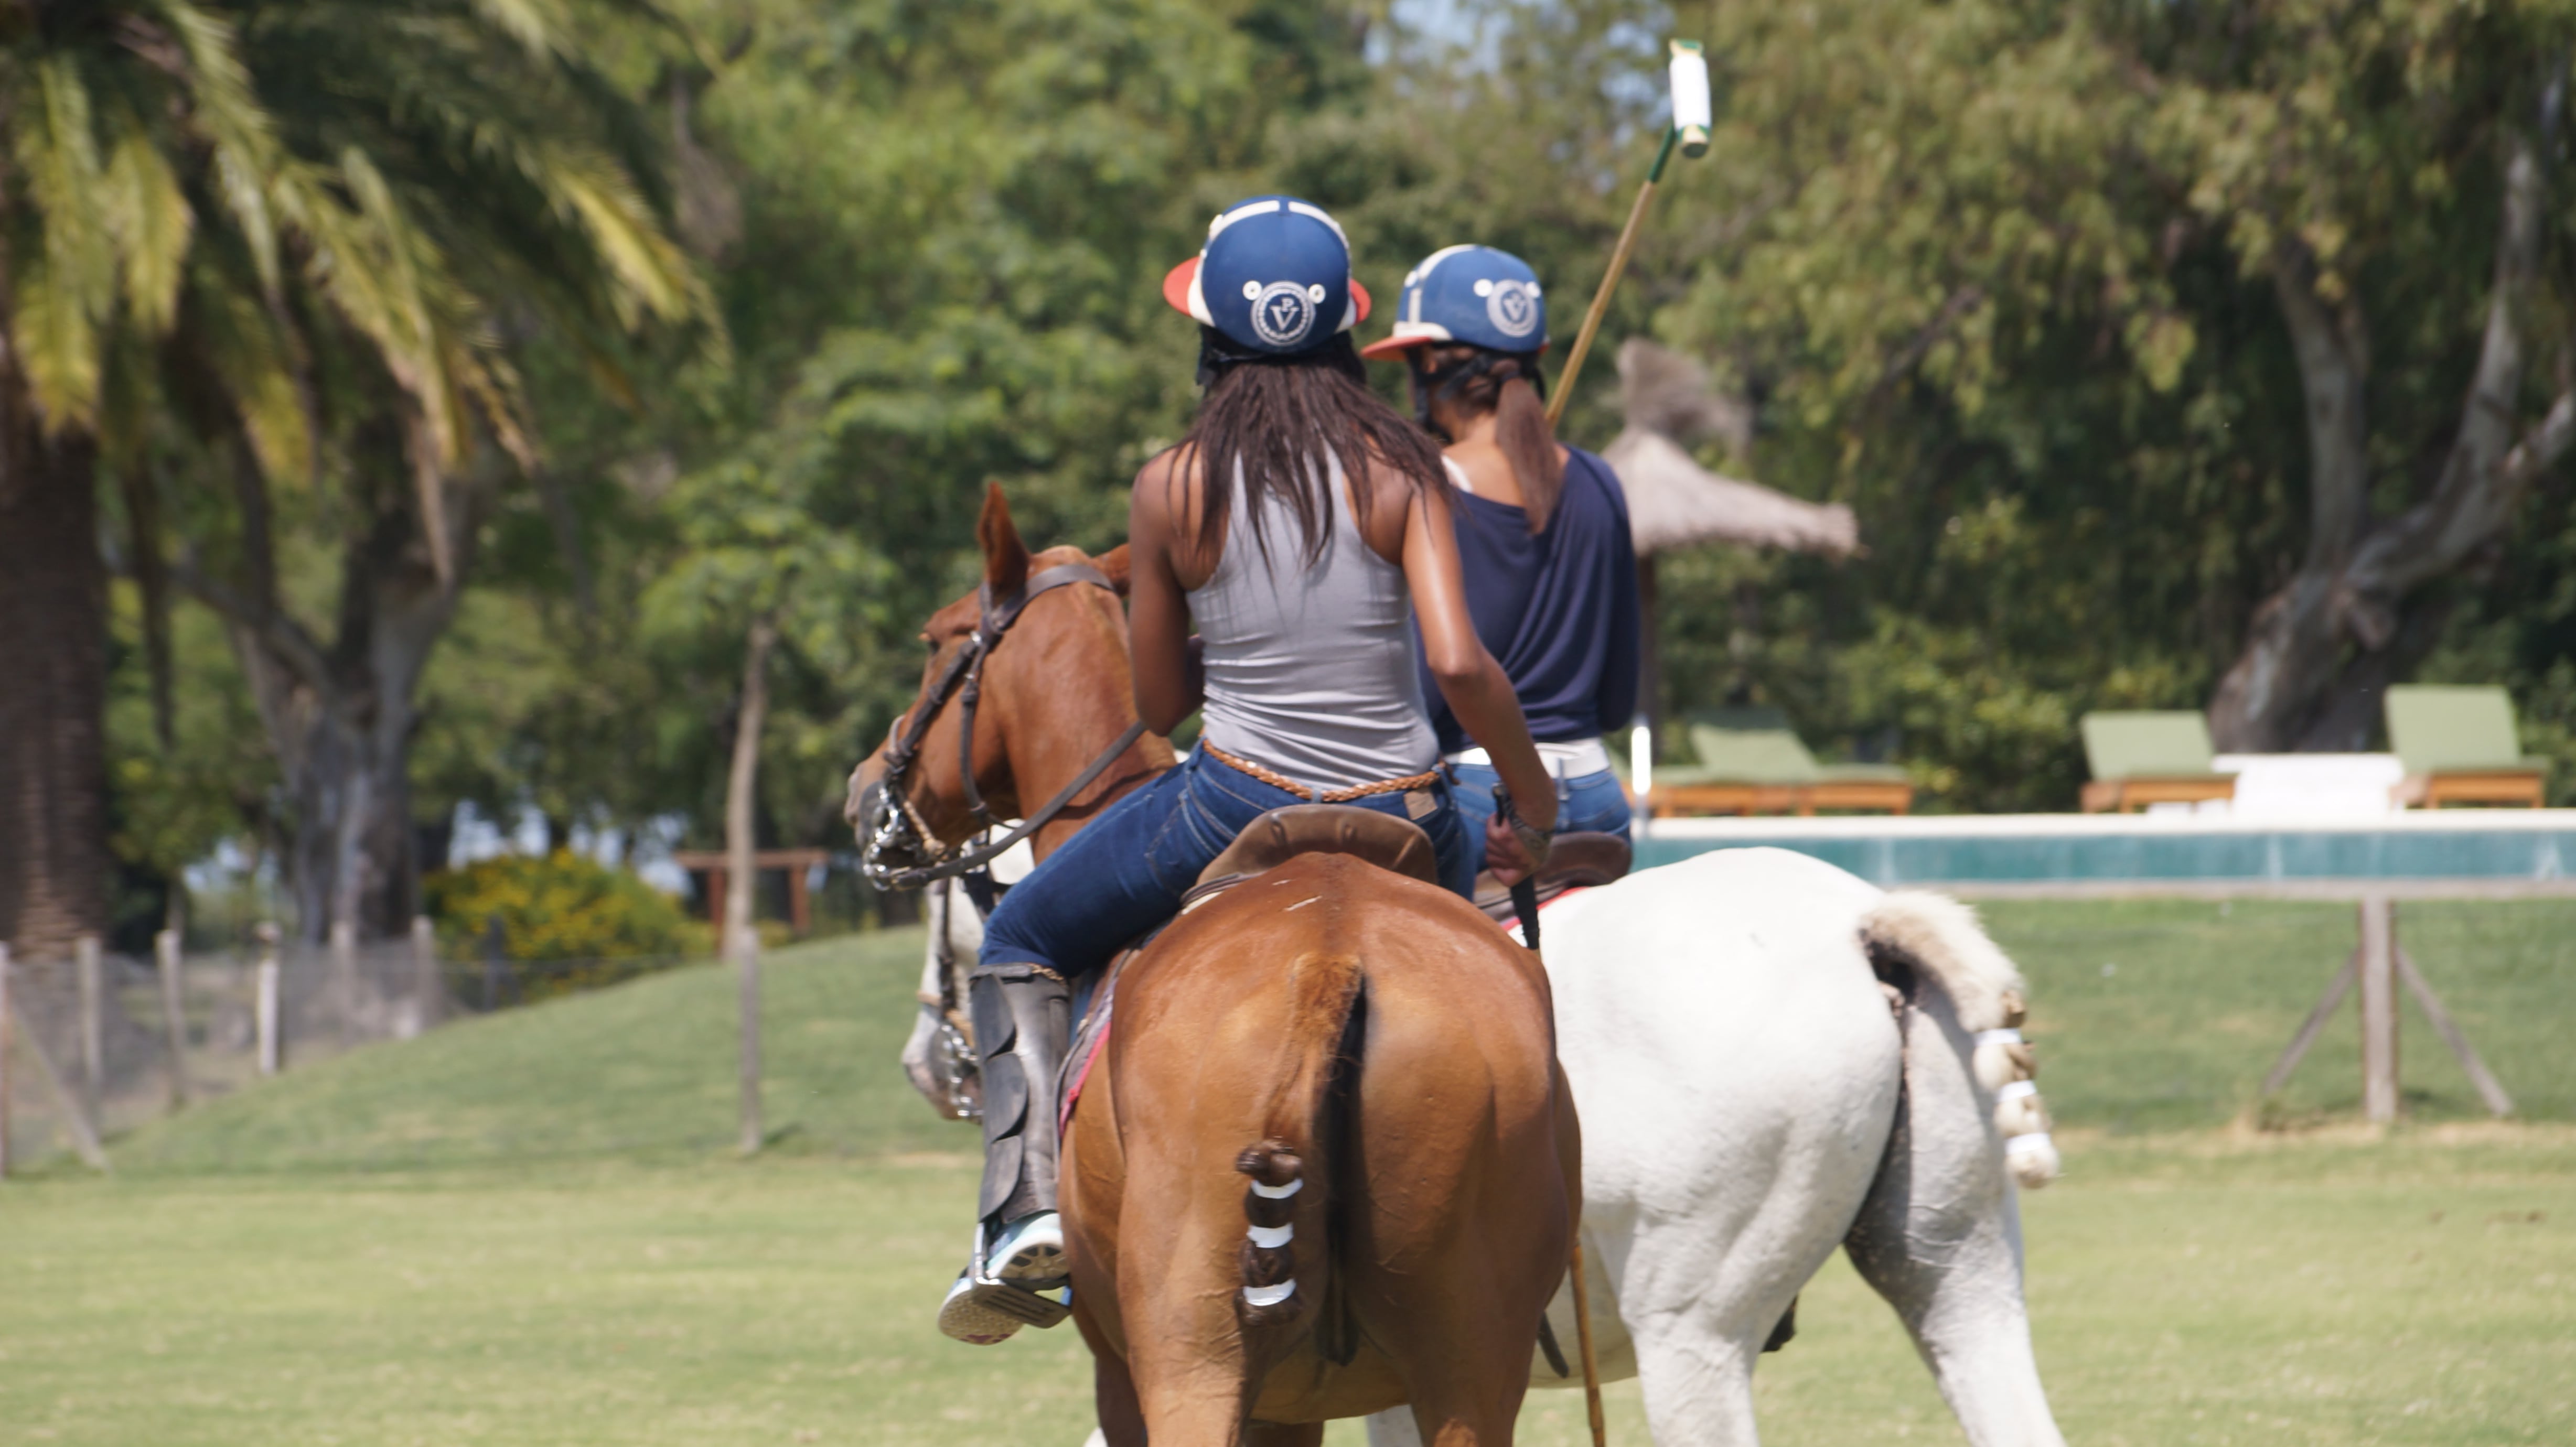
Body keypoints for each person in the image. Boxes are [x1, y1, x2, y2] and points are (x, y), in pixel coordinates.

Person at [939, 197, 1559, 1345]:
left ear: (1211, 343)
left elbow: (1161, 704)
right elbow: (1461, 663)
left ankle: (1020, 1215)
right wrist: (1529, 796)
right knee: (1527, 959)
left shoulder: (1172, 485)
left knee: (1021, 935)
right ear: (1339, 335)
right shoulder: (1404, 467)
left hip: (1233, 798)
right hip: (1414, 810)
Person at [1361, 245, 1640, 876]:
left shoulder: (1427, 481)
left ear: (1430, 360)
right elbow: (1619, 700)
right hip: (1598, 798)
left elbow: (1429, 690)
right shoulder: (1602, 480)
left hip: (1478, 807)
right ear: (1533, 359)